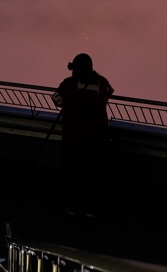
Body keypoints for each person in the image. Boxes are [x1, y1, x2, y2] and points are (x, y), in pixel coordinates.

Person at [52, 52, 114, 217]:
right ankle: (91, 209)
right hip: (94, 141)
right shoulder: (101, 83)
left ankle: (72, 207)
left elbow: (56, 100)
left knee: (71, 176)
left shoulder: (68, 85)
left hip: (71, 140)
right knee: (91, 177)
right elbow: (110, 91)